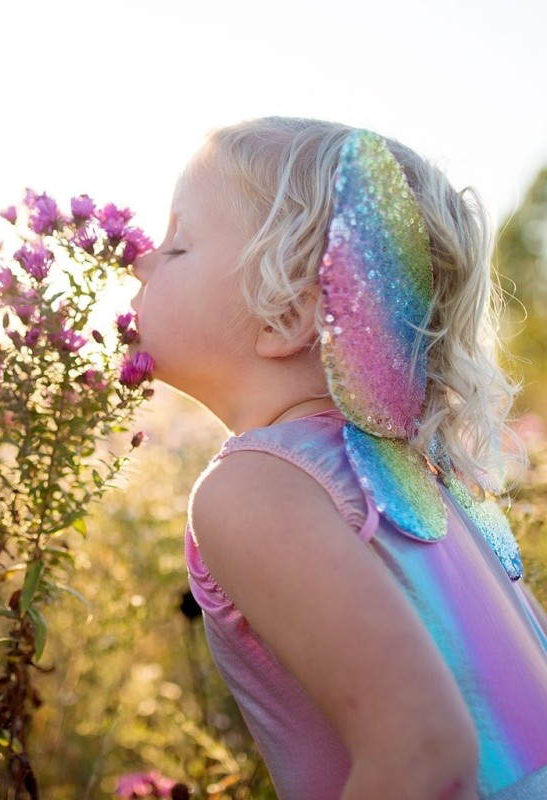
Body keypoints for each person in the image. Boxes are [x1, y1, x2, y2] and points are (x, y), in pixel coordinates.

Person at [129, 117, 547, 800]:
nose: (139, 258)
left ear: (288, 312)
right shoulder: (416, 479)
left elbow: (425, 754)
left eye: (177, 245)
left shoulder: (254, 488)